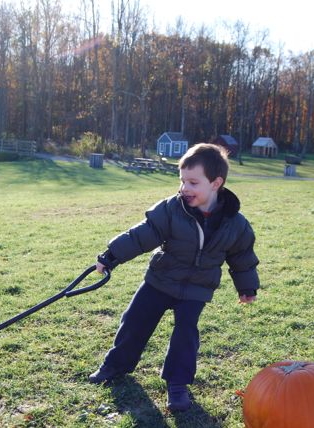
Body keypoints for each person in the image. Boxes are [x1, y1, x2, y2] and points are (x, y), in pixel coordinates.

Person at [89, 143, 260, 412]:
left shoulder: (236, 224)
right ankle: (115, 365)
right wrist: (111, 256)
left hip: (197, 288)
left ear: (216, 183)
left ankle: (177, 384)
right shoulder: (171, 209)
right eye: (182, 181)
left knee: (185, 333)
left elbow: (243, 258)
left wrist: (247, 287)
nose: (184, 188)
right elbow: (142, 235)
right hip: (161, 279)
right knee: (134, 320)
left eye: (193, 182)